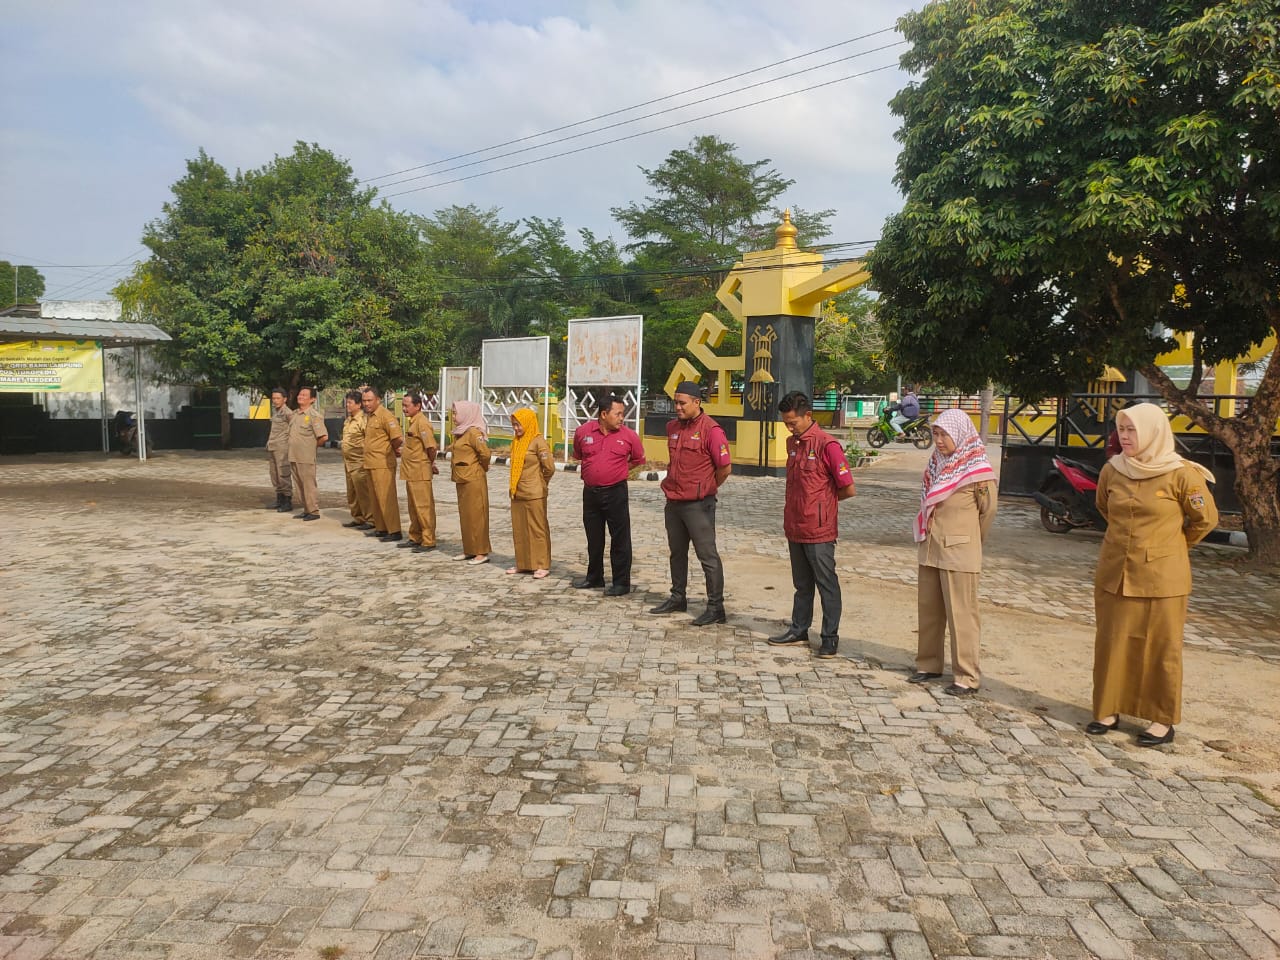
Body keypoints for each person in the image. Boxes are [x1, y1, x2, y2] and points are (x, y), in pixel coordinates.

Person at [1088, 402, 1217, 747]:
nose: (1125, 437)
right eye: (1122, 430)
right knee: (1112, 642)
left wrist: (1173, 548)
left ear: (1153, 431)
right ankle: (1107, 709)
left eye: (1133, 430)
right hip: (1116, 571)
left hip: (1163, 578)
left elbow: (1205, 520)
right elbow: (1104, 508)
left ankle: (1161, 720)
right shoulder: (1113, 470)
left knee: (1160, 648)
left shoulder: (1181, 474)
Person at [909, 408, 997, 696]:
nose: (939, 440)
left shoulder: (977, 471)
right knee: (929, 610)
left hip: (960, 552)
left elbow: (987, 513)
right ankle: (928, 664)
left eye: (944, 434)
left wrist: (970, 541)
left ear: (959, 434)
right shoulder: (935, 464)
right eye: (936, 433)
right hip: (931, 547)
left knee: (962, 615)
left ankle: (966, 675)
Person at [767, 391, 855, 659]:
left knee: (826, 583)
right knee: (801, 584)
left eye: (793, 422)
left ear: (808, 415)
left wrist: (822, 506)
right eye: (786, 423)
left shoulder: (828, 446)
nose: (789, 427)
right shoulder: (792, 444)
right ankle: (799, 628)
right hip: (795, 525)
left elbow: (847, 488)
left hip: (819, 530)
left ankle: (829, 637)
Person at [649, 381, 732, 626]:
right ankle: (678, 597)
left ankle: (716, 607)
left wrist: (706, 487)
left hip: (698, 505)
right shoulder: (672, 427)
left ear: (697, 402)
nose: (677, 407)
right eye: (675, 402)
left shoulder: (712, 430)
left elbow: (724, 468)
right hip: (674, 501)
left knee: (707, 556)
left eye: (682, 403)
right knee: (677, 552)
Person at [571, 395, 646, 596]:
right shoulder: (582, 432)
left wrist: (619, 469)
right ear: (604, 414)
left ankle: (621, 583)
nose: (622, 418)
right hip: (591, 494)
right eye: (618, 414)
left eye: (623, 413)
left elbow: (638, 459)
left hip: (616, 493)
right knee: (594, 537)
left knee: (620, 539)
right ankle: (594, 578)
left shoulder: (629, 436)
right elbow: (578, 454)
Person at [506, 407, 555, 578]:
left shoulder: (538, 441)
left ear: (528, 423)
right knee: (520, 529)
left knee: (537, 529)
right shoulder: (517, 441)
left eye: (518, 425)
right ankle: (523, 563)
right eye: (514, 425)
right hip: (517, 491)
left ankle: (541, 564)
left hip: (534, 492)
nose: (516, 428)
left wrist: (541, 483)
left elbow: (549, 468)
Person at [449, 400, 491, 564]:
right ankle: (469, 549)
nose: (453, 416)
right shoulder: (461, 432)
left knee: (477, 516)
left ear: (466, 414)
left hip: (473, 479)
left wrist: (482, 468)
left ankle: (481, 551)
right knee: (465, 515)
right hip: (461, 478)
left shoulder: (473, 432)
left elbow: (485, 454)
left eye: (455, 413)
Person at [361, 387, 403, 542]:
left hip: (383, 463)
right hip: (370, 462)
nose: (366, 403)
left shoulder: (386, 416)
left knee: (386, 497)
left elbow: (397, 438)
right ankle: (381, 528)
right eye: (364, 401)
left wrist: (390, 450)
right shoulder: (370, 417)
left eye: (369, 400)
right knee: (375, 497)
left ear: (378, 400)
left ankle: (394, 530)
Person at [400, 391, 439, 553]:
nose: (404, 409)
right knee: (413, 507)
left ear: (418, 406)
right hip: (411, 471)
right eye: (403, 405)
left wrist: (429, 462)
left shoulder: (422, 423)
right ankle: (415, 536)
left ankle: (428, 540)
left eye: (406, 405)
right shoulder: (413, 422)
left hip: (420, 471)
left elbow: (431, 447)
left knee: (423, 507)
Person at [287, 386, 329, 521]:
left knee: (308, 484)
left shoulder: (314, 416)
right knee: (299, 485)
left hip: (306, 457)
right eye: (300, 394)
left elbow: (323, 437)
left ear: (312, 399)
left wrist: (310, 447)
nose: (300, 396)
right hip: (293, 455)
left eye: (304, 395)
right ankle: (306, 509)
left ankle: (313, 511)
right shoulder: (295, 414)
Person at [340, 390, 374, 530]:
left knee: (363, 492)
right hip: (348, 462)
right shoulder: (348, 420)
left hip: (359, 462)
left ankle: (370, 519)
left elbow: (368, 439)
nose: (347, 405)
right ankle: (358, 517)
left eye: (350, 403)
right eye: (346, 402)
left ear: (359, 404)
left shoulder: (363, 420)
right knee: (352, 492)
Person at [265, 387, 293, 512]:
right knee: (274, 474)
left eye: (278, 398)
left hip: (283, 448)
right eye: (273, 398)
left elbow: (294, 428)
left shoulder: (287, 413)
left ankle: (287, 500)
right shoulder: (276, 411)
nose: (275, 401)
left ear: (285, 399)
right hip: (273, 446)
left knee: (283, 473)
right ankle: (279, 498)